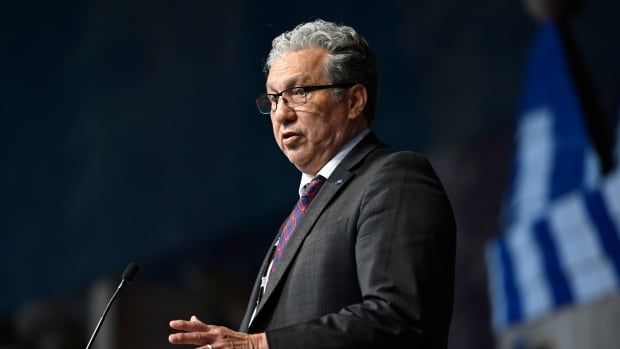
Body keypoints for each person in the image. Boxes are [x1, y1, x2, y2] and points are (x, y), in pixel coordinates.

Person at [168, 19, 456, 349]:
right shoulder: (303, 210)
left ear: (354, 101)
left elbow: (398, 319)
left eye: (298, 92)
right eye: (274, 99)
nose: (281, 114)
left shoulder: (394, 177)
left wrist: (258, 345)